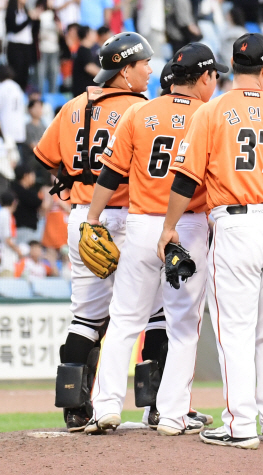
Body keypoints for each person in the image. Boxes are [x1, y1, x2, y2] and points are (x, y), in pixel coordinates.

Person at [156, 33, 263, 450]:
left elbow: (186, 177)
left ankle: (239, 424)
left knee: (235, 331)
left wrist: (168, 227)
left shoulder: (212, 110)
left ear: (231, 67)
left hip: (235, 226)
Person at [86, 43, 226, 436]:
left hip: (142, 223)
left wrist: (93, 218)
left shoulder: (139, 111)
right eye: (214, 76)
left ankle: (106, 408)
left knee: (126, 320)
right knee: (182, 325)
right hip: (188, 226)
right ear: (204, 78)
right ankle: (171, 414)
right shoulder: (209, 115)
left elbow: (110, 174)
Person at [33, 31, 164, 433]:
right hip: (128, 216)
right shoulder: (141, 108)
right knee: (155, 312)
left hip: (82, 217)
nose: (149, 70)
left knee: (86, 317)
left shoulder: (72, 106)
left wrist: (72, 181)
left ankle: (75, 407)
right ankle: (159, 406)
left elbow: (46, 158)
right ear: (124, 70)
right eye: (143, 64)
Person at [5, 0, 41, 91]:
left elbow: (34, 30)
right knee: (17, 72)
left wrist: (36, 19)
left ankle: (23, 91)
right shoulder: (11, 11)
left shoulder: (26, 11)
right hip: (15, 46)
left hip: (27, 45)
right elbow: (13, 28)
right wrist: (29, 18)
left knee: (25, 72)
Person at [10, 166, 44, 245]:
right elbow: (41, 204)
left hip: (21, 229)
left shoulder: (15, 188)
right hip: (23, 229)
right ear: (26, 176)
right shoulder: (21, 191)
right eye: (32, 174)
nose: (34, 177)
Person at [37, 0, 61, 94]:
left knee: (54, 73)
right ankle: (41, 93)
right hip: (42, 48)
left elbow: (60, 32)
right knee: (41, 73)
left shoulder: (55, 16)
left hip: (54, 48)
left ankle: (53, 93)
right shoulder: (40, 15)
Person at [72, 26, 100, 98]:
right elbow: (90, 68)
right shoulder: (84, 51)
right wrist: (107, 75)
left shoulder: (88, 51)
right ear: (87, 34)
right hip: (84, 94)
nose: (95, 35)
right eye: (93, 32)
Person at [0, 192, 21, 277]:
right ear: (14, 202)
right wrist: (18, 250)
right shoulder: (5, 215)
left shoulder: (5, 214)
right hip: (5, 256)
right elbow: (7, 239)